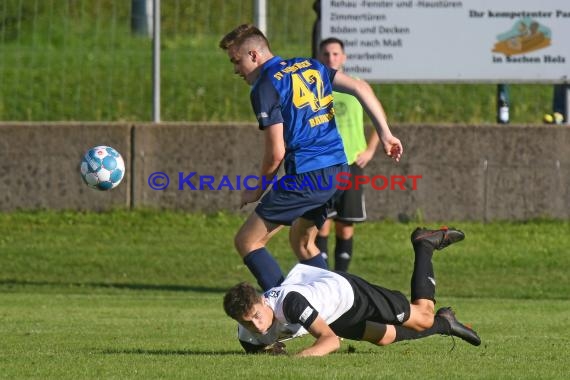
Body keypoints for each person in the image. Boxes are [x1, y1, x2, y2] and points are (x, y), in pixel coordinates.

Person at [218, 24, 403, 291]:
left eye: (237, 61)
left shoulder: (265, 86)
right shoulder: (309, 66)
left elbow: (276, 153)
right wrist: (386, 134)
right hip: (339, 172)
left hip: (308, 176)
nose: (236, 69)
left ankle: (282, 314)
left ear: (254, 55)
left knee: (248, 241)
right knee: (302, 242)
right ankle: (333, 310)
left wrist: (256, 190)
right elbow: (360, 87)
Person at [224, 226, 481, 356]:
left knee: (423, 316)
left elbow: (330, 341)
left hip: (349, 294)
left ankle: (424, 244)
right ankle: (446, 323)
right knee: (384, 337)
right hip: (334, 313)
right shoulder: (247, 333)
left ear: (262, 301)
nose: (257, 325)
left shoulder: (290, 304)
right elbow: (261, 350)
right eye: (247, 321)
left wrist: (300, 358)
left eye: (257, 315)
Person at [315, 37, 380, 272]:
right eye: (326, 54)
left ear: (344, 57)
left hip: (352, 163)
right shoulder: (314, 88)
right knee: (321, 224)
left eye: (335, 54)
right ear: (319, 57)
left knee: (345, 225)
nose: (331, 58)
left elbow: (379, 118)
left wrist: (370, 150)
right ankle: (320, 278)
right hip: (323, 164)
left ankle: (341, 278)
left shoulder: (358, 86)